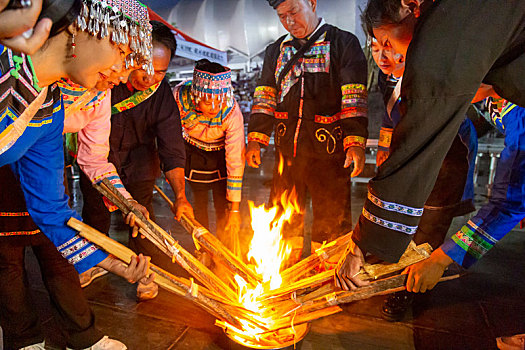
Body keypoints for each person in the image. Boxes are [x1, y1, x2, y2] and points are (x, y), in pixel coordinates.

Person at [336, 0, 525, 294]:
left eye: (389, 42)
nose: (390, 54)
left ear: (411, 7)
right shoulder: (479, 45)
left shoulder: (444, 36)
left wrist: (439, 260)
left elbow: (508, 203)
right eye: (377, 46)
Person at [0, 0, 154, 348]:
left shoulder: (50, 110)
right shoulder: (5, 61)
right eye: (120, 49)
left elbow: (53, 213)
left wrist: (115, 261)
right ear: (78, 27)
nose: (122, 70)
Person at [246, 0, 368, 265]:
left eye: (294, 12)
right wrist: (256, 139)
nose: (289, 21)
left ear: (312, 3)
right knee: (284, 216)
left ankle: (325, 276)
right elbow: (265, 95)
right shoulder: (275, 51)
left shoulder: (343, 43)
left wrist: (355, 143)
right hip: (286, 154)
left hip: (330, 154)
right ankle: (284, 273)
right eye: (282, 16)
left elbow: (354, 97)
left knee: (331, 219)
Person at [80, 20, 194, 301]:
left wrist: (180, 194)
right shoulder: (104, 80)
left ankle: (146, 272)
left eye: (161, 72)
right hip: (99, 157)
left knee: (141, 221)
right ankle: (94, 262)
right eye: (146, 67)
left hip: (141, 162)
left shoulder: (160, 92)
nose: (150, 78)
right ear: (131, 56)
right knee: (95, 214)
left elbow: (170, 143)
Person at [368, 35, 477, 321]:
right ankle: (394, 269)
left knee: (430, 223)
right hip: (411, 152)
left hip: (446, 153)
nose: (382, 58)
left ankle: (414, 288)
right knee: (404, 217)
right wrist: (384, 146)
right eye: (376, 49)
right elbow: (390, 114)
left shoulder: (429, 74)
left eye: (389, 49)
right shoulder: (387, 77)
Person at [173, 59, 245, 253]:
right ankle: (202, 248)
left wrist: (236, 209)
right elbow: (169, 136)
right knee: (199, 204)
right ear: (196, 95)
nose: (214, 107)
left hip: (220, 155)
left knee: (224, 206)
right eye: (207, 101)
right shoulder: (179, 98)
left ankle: (224, 251)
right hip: (193, 153)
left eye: (219, 100)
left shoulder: (231, 111)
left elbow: (235, 158)